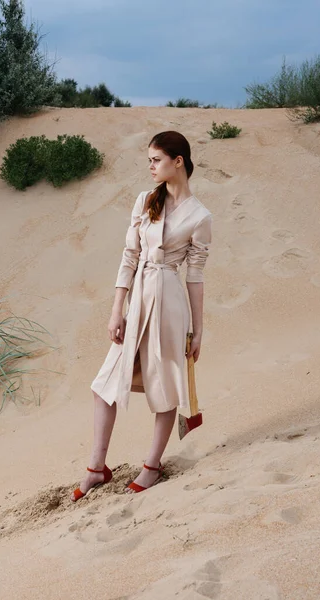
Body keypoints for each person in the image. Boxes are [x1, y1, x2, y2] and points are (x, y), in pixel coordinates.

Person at [71, 130, 212, 500]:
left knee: (164, 386)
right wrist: (116, 309)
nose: (150, 166)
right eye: (149, 160)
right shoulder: (145, 201)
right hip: (136, 304)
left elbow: (195, 277)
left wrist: (198, 331)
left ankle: (152, 465)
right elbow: (129, 257)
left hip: (170, 305)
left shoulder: (200, 217)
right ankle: (96, 468)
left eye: (156, 160)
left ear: (177, 161)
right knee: (104, 385)